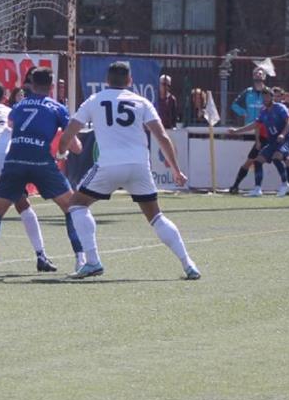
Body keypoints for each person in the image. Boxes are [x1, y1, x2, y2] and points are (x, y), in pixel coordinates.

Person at [55, 61, 200, 280]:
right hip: (139, 166)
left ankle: (92, 262)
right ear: (130, 81)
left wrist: (61, 154)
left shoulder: (94, 100)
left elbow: (68, 134)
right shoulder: (142, 102)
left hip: (109, 166)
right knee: (156, 216)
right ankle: (188, 264)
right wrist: (176, 170)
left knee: (76, 205)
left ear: (107, 81)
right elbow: (162, 136)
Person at [0, 67, 82, 275]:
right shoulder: (57, 108)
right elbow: (75, 145)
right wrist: (66, 148)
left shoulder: (19, 105)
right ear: (52, 86)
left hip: (15, 160)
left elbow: (11, 124)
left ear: (31, 84)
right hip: (41, 161)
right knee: (71, 208)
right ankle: (80, 258)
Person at [229, 87, 289, 197]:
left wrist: (283, 134)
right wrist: (237, 131)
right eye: (264, 97)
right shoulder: (263, 111)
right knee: (258, 161)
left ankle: (285, 184)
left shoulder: (280, 108)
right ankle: (257, 189)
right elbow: (255, 125)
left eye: (267, 97)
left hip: (285, 139)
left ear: (272, 97)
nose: (265, 99)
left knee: (277, 157)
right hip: (273, 141)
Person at [227, 69, 269, 194]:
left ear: (264, 77)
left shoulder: (268, 92)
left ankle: (284, 185)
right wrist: (244, 113)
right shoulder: (248, 92)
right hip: (250, 130)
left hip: (265, 132)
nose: (258, 75)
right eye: (256, 73)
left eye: (260, 74)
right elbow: (234, 105)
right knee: (253, 160)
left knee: (259, 160)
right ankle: (241, 186)